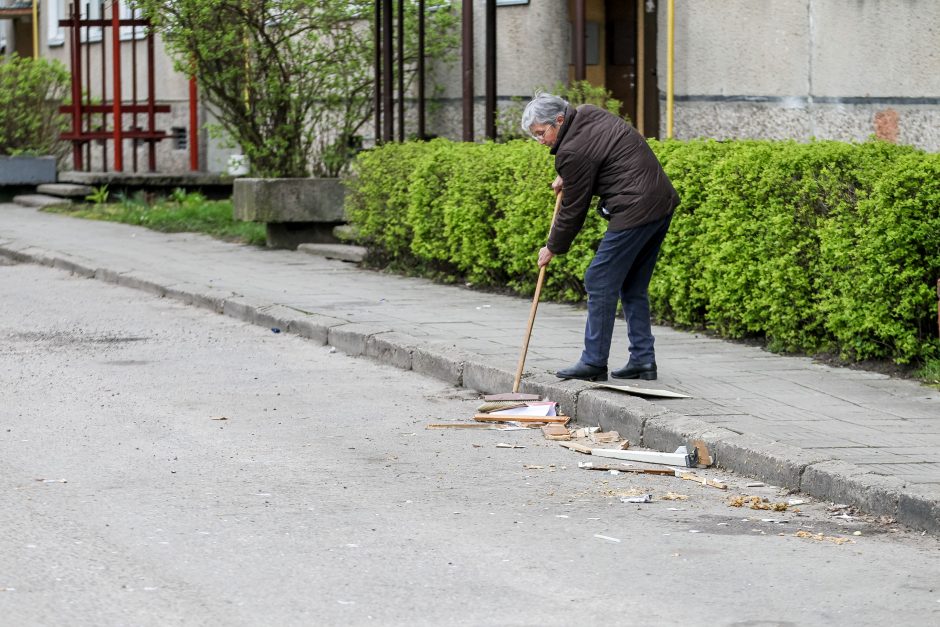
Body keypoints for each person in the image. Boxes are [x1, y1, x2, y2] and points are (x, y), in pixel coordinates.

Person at [521, 92, 679, 382]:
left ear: (558, 120)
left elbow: (573, 209)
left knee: (599, 277)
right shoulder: (588, 113)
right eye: (535, 137)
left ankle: (593, 362)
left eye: (542, 133)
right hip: (660, 202)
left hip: (635, 207)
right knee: (632, 285)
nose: (541, 141)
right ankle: (643, 362)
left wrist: (552, 247)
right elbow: (598, 156)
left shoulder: (571, 151)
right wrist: (569, 176)